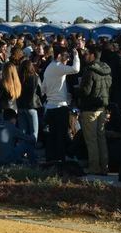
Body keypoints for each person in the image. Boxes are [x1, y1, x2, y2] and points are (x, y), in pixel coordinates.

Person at [77, 45, 112, 174]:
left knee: (91, 140)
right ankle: (104, 166)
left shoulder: (89, 71)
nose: (85, 55)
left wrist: (77, 90)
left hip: (89, 108)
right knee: (101, 139)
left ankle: (94, 167)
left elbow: (85, 91)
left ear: (92, 55)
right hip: (102, 107)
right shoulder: (106, 69)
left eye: (87, 53)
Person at [42, 47, 80, 162]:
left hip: (50, 107)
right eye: (66, 57)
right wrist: (76, 55)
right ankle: (60, 160)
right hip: (59, 107)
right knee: (61, 136)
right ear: (59, 56)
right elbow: (75, 69)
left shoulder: (49, 68)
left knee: (52, 136)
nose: (68, 60)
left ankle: (51, 160)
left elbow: (43, 88)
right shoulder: (57, 67)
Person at [17, 60, 42, 142]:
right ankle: (31, 152)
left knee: (22, 132)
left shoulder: (18, 78)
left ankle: (23, 152)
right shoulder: (35, 77)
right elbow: (40, 91)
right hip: (32, 106)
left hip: (20, 106)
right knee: (34, 133)